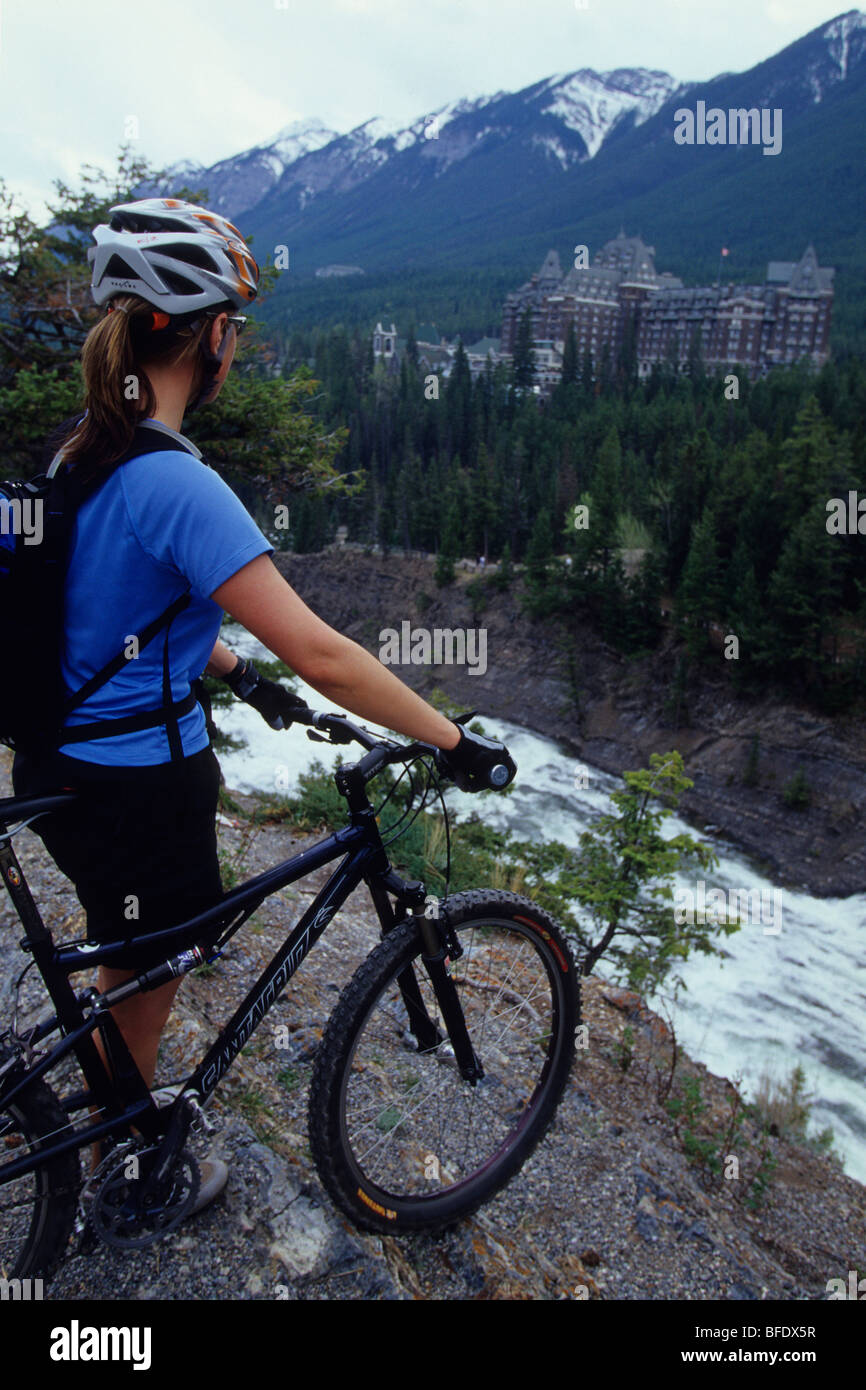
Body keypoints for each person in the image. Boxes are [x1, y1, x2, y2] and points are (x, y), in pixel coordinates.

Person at [11, 197, 513, 1211]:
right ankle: (130, 1166)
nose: (236, 343)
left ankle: (114, 1109)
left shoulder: (83, 448)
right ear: (207, 336)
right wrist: (452, 740)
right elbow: (325, 652)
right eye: (233, 326)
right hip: (140, 787)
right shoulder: (181, 485)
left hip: (57, 763)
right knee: (151, 970)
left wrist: (235, 672)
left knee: (129, 951)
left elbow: (113, 612)